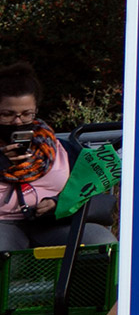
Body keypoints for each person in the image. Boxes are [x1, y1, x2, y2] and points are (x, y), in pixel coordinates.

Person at [0, 64, 107, 253]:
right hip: (5, 226)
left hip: (53, 224)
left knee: (99, 240)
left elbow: (87, 184)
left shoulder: (62, 149)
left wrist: (58, 202)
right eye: (7, 115)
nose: (17, 121)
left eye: (26, 114)